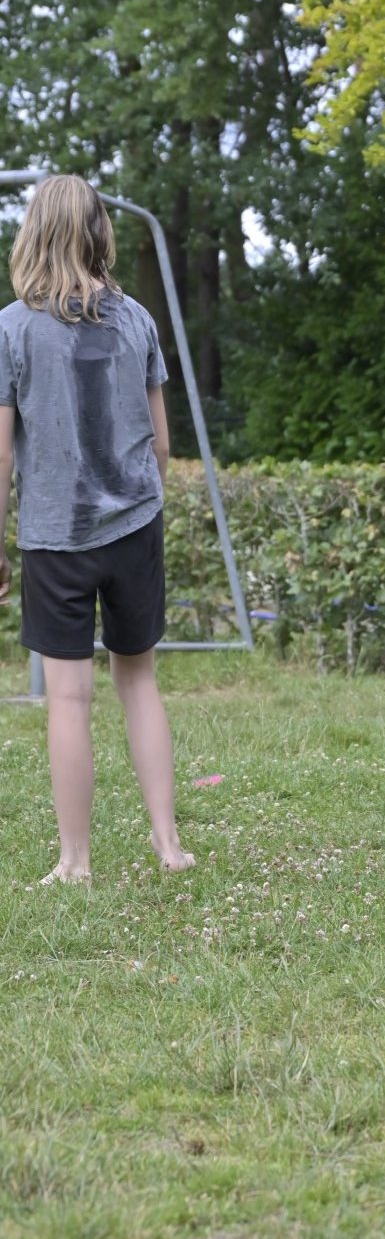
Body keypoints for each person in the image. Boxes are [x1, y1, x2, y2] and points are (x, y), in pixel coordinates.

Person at [0, 174, 193, 883]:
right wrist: (141, 504)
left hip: (55, 536)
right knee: (138, 683)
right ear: (99, 232)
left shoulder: (11, 328)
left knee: (68, 698)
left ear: (34, 233)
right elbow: (161, 444)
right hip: (134, 524)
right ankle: (169, 845)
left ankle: (75, 861)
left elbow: (1, 457)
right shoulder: (138, 320)